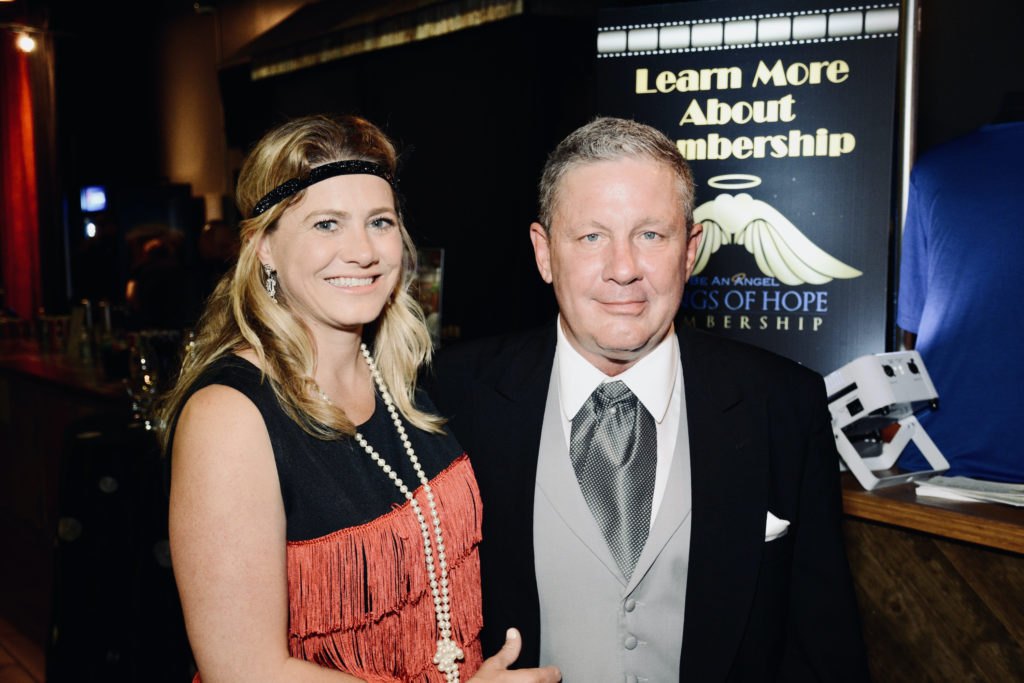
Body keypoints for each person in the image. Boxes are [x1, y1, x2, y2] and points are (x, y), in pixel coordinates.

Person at [429, 117, 870, 681]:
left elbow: (824, 647)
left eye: (651, 236)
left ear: (690, 251)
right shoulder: (453, 397)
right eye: (592, 236)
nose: (623, 269)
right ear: (543, 253)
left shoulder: (782, 403)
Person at [159, 114, 561, 683]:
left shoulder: (407, 378)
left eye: (380, 221)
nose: (363, 251)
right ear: (264, 247)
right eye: (327, 224)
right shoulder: (230, 416)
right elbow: (242, 671)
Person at [897, 114, 1024, 482]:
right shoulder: (931, 170)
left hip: (941, 452)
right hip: (942, 457)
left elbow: (913, 322)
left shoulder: (935, 168)